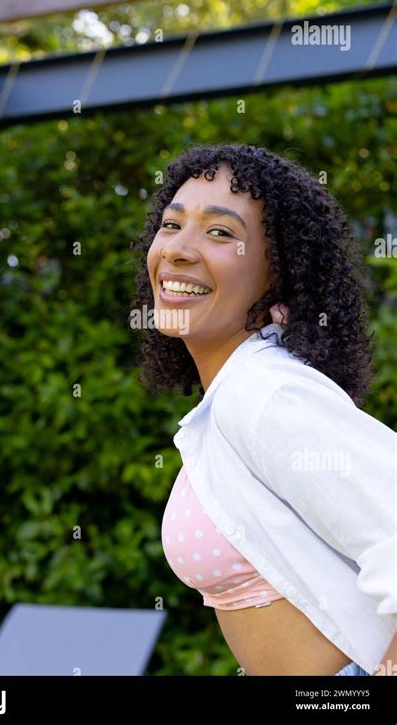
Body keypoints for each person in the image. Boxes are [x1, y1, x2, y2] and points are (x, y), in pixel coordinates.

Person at [128, 143, 396, 676]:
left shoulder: (267, 391)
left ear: (280, 276)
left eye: (220, 232)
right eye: (171, 224)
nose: (177, 249)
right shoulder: (232, 396)